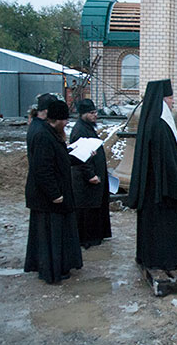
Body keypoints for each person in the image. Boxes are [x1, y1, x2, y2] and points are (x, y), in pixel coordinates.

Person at [128, 79, 177, 270]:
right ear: (162, 99)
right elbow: (167, 161)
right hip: (164, 192)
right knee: (163, 227)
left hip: (153, 189)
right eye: (171, 98)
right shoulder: (159, 126)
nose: (173, 102)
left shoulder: (153, 121)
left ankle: (148, 256)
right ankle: (165, 259)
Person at [24, 100, 82, 284]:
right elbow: (42, 169)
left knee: (57, 234)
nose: (67, 123)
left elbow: (59, 159)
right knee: (52, 236)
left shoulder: (50, 133)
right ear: (56, 119)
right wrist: (54, 194)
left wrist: (80, 157)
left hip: (53, 194)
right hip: (48, 198)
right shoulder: (43, 136)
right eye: (65, 120)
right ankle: (52, 271)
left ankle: (60, 267)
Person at [70, 98, 111, 249]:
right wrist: (90, 174)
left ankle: (96, 235)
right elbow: (80, 156)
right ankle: (87, 238)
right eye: (91, 113)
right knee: (87, 210)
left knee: (95, 207)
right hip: (85, 179)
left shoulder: (87, 127)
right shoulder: (79, 130)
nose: (95, 115)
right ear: (83, 114)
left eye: (95, 112)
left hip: (93, 175)